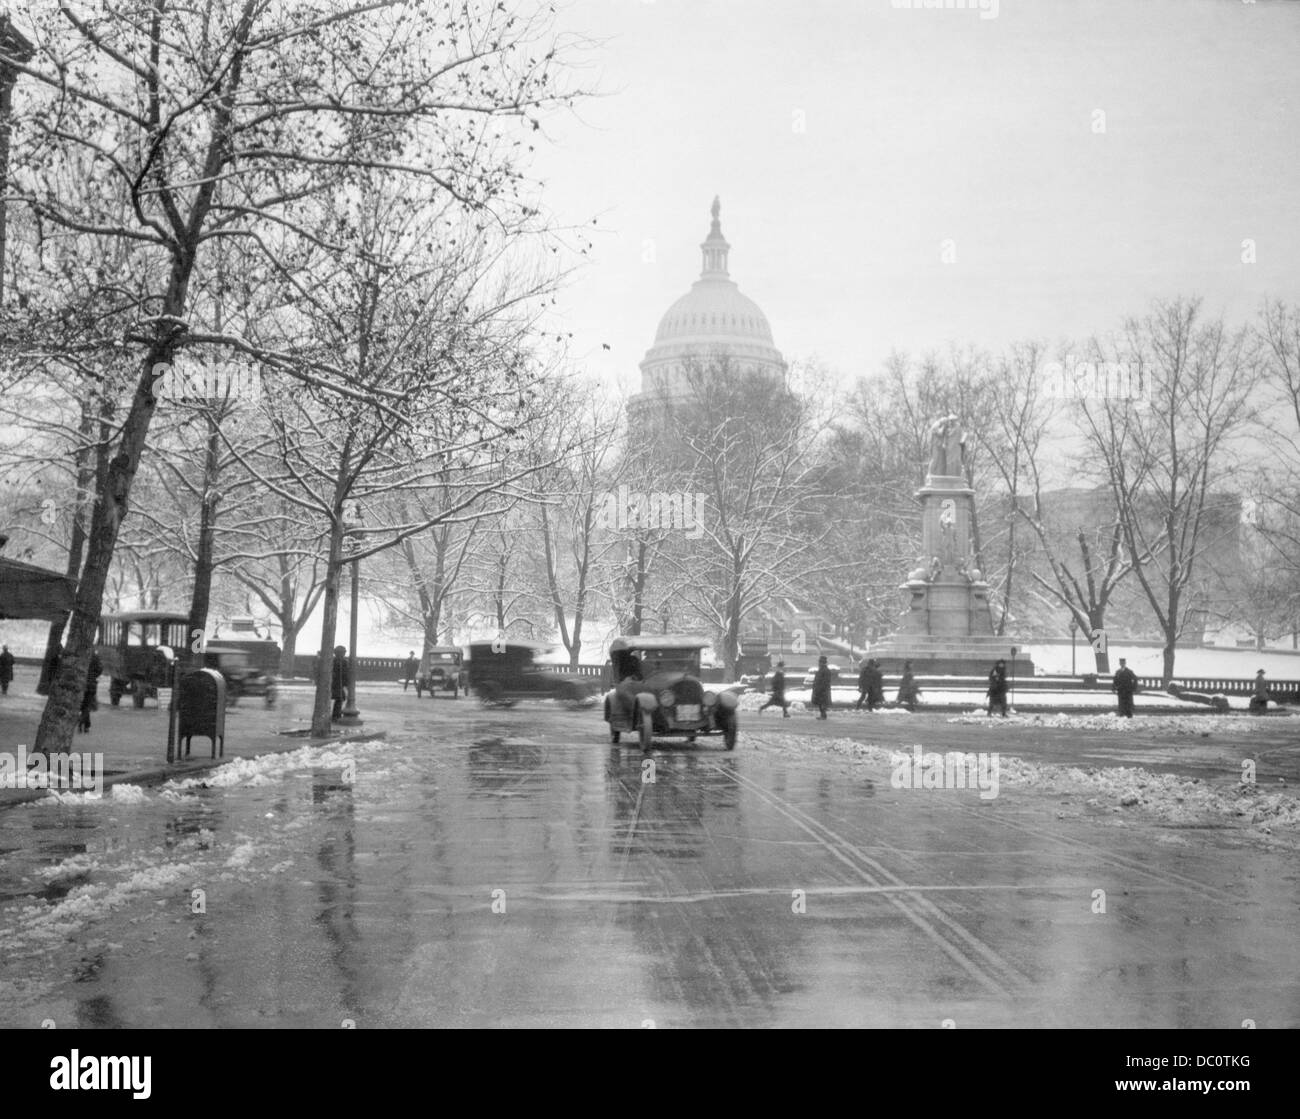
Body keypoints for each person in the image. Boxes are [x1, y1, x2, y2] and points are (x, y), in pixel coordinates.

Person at [78, 651, 102, 733]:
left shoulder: (79, 654)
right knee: (87, 705)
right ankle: (85, 724)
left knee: (82, 704)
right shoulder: (95, 656)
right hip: (91, 685)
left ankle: (83, 722)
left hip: (80, 683)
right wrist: (94, 676)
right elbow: (100, 669)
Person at [810, 655, 833, 720]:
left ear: (822, 662)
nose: (819, 663)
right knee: (821, 703)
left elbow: (825, 681)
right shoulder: (822, 670)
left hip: (822, 690)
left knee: (822, 703)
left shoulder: (825, 670)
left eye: (820, 662)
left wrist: (820, 688)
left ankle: (823, 715)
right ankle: (823, 715)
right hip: (820, 689)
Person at [331, 644, 349, 721]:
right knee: (340, 698)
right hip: (335, 683)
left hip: (337, 683)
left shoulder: (343, 662)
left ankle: (336, 715)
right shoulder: (338, 662)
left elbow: (346, 673)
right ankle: (336, 715)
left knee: (340, 698)